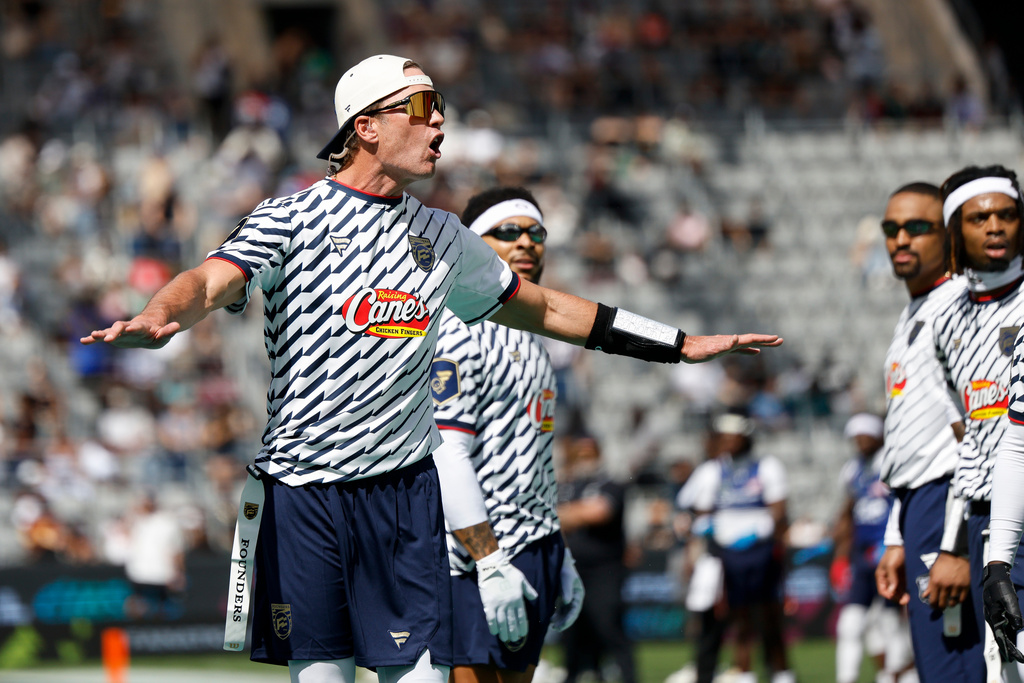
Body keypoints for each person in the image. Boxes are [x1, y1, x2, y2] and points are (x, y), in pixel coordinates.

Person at [80, 54, 781, 683]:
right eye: (421, 106)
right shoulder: (290, 218)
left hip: (404, 496)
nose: (440, 120)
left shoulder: (443, 234)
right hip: (306, 492)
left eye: (440, 106)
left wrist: (678, 343)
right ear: (365, 127)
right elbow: (208, 281)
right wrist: (160, 314)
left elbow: (548, 308)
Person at [429, 186, 584, 683]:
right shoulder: (459, 327)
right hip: (474, 555)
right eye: (508, 231)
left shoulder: (533, 334)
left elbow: (530, 458)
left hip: (534, 544)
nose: (526, 242)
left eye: (536, 232)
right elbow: (447, 454)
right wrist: (489, 559)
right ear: (475, 244)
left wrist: (556, 546)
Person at [872, 182, 984, 682]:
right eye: (891, 228)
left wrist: (955, 546)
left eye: (917, 227)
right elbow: (911, 439)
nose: (901, 239)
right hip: (921, 505)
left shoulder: (960, 307)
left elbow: (977, 434)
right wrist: (897, 534)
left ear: (949, 236)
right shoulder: (918, 308)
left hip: (952, 503)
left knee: (958, 667)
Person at [930, 165, 1024, 680]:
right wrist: (954, 542)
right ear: (955, 231)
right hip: (983, 513)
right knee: (1000, 665)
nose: (995, 226)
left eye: (1006, 214)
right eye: (979, 217)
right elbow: (962, 429)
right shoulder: (946, 318)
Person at [675, 411, 794, 683]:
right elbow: (700, 511)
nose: (728, 442)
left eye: (733, 436)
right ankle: (744, 672)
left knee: (768, 615)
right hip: (725, 553)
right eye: (724, 437)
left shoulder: (766, 467)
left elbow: (778, 510)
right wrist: (703, 530)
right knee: (737, 617)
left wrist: (758, 531)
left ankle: (781, 673)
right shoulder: (712, 471)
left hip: (761, 551)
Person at [833, 413, 913, 683]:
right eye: (856, 437)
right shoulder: (852, 469)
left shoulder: (892, 462)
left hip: (889, 549)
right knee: (850, 624)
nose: (861, 441)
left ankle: (894, 674)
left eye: (866, 435)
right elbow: (848, 512)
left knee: (891, 621)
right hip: (862, 554)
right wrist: (840, 556)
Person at [556, 434, 636, 683]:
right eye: (580, 454)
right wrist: (576, 512)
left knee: (608, 624)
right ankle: (576, 674)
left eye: (589, 453)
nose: (584, 459)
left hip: (604, 570)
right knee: (571, 632)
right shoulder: (568, 486)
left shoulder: (611, 483)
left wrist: (569, 514)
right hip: (571, 568)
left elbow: (600, 512)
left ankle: (627, 676)